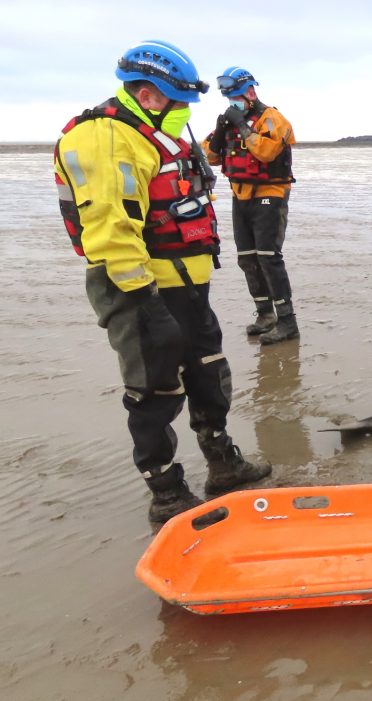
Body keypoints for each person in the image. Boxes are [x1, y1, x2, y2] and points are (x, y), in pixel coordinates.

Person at [54, 40, 271, 524]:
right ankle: (168, 494)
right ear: (151, 93)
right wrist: (144, 301)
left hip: (185, 283)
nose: (183, 112)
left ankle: (223, 465)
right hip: (140, 289)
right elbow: (111, 230)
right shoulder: (107, 137)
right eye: (178, 102)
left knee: (208, 373)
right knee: (154, 391)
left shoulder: (151, 133)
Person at [203, 66, 298, 344]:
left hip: (270, 193)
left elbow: (266, 152)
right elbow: (209, 156)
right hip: (241, 195)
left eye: (236, 95)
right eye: (227, 97)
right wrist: (222, 130)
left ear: (251, 92)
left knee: (269, 257)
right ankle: (265, 315)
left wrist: (243, 127)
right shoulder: (229, 120)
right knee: (247, 257)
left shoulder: (272, 119)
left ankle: (287, 322)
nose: (232, 101)